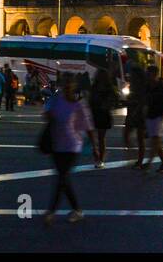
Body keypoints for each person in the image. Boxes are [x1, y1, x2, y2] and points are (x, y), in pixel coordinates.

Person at [41, 75, 96, 225]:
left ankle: (51, 212)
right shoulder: (56, 100)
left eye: (69, 83)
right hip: (56, 145)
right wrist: (48, 114)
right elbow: (45, 115)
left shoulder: (79, 104)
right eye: (64, 83)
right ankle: (77, 210)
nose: (66, 86)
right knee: (63, 179)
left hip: (73, 145)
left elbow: (89, 127)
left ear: (73, 86)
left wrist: (96, 149)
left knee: (62, 178)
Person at [89, 68, 117, 168]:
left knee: (101, 137)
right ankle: (97, 155)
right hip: (95, 112)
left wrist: (107, 105)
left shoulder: (108, 88)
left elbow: (113, 101)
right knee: (93, 137)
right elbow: (90, 99)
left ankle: (100, 158)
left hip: (103, 113)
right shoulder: (96, 87)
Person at [145, 69, 163, 173]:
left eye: (149, 74)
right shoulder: (148, 87)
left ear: (155, 74)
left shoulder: (162, 87)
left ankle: (149, 163)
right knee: (156, 140)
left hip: (160, 116)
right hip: (150, 115)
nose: (147, 76)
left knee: (156, 139)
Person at [123, 66, 148, 167]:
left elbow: (142, 101)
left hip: (139, 114)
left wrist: (135, 107)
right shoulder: (132, 85)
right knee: (126, 134)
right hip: (132, 113)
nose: (130, 76)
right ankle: (134, 154)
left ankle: (139, 160)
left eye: (132, 74)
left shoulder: (142, 87)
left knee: (139, 138)